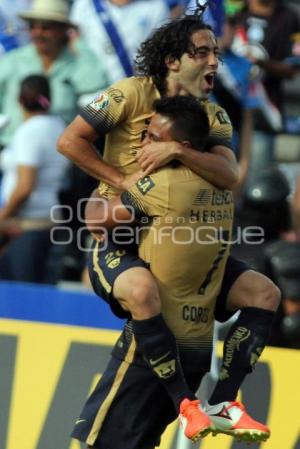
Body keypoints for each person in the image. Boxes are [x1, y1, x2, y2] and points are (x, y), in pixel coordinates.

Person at [58, 9, 280, 442]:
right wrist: (123, 181)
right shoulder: (130, 94)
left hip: (184, 239)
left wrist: (177, 152)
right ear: (172, 61)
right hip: (124, 237)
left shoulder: (211, 116)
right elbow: (69, 141)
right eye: (202, 53)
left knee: (263, 292)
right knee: (142, 291)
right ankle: (183, 401)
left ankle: (222, 402)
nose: (214, 61)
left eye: (216, 52)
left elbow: (229, 173)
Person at [72, 95, 235, 448]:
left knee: (102, 443)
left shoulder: (165, 185)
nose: (143, 145)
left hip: (153, 347)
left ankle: (191, 403)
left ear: (181, 148)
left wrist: (115, 186)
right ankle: (224, 400)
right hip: (197, 349)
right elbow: (230, 173)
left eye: (153, 139)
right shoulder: (223, 190)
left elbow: (95, 218)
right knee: (262, 292)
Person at [0, 0, 108, 148]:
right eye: (32, 26)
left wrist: (80, 46)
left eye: (46, 27)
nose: (38, 33)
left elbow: (101, 100)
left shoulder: (79, 60)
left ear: (63, 29)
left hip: (61, 154)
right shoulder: (11, 61)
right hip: (11, 150)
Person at [0, 74, 68, 282]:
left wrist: (2, 218)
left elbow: (25, 186)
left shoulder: (29, 131)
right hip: (49, 220)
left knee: (20, 298)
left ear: (19, 100)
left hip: (25, 225)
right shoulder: (58, 125)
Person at [70, 0, 170, 84]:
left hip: (138, 91)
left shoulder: (156, 6)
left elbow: (160, 52)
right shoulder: (84, 4)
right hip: (97, 92)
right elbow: (73, 45)